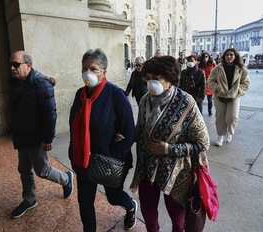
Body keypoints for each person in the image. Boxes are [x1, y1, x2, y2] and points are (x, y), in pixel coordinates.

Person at [130, 55, 210, 232]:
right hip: (147, 169)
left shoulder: (186, 103)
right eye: (148, 79)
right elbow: (140, 129)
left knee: (178, 218)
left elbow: (203, 143)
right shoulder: (145, 101)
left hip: (176, 173)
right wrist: (126, 135)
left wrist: (169, 149)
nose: (151, 83)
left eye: (156, 79)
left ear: (169, 78)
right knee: (148, 211)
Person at [69, 48, 137, 231]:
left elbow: (130, 132)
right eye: (84, 69)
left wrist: (113, 154)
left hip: (110, 160)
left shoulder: (116, 95)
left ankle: (130, 206)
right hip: (83, 160)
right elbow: (73, 126)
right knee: (85, 202)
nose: (87, 73)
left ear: (104, 72)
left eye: (93, 69)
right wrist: (73, 150)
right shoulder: (79, 95)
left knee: (113, 198)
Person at [8, 50, 73, 219]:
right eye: (11, 64)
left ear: (28, 65)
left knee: (42, 170)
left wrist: (47, 139)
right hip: (21, 135)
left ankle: (66, 178)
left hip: (35, 137)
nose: (12, 68)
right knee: (24, 169)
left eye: (16, 64)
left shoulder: (41, 84)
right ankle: (29, 200)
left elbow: (50, 114)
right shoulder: (15, 82)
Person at [207, 48, 251, 147]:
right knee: (220, 117)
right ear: (224, 56)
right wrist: (217, 89)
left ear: (235, 56)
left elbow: (246, 82)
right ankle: (220, 136)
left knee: (232, 117)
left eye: (231, 55)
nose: (229, 57)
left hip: (234, 97)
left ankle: (230, 132)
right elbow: (210, 80)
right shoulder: (218, 68)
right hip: (220, 97)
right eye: (227, 55)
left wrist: (238, 91)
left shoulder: (241, 69)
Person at [199, 51, 217, 116]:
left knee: (210, 100)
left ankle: (210, 111)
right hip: (202, 85)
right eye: (203, 57)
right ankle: (200, 112)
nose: (205, 58)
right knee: (201, 99)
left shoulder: (212, 64)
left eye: (206, 56)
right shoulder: (199, 65)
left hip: (210, 84)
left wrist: (215, 63)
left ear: (208, 57)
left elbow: (217, 70)